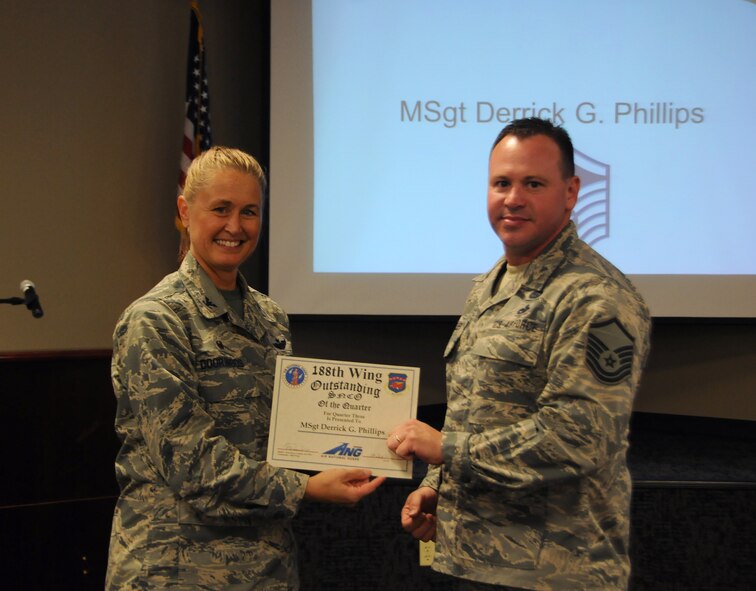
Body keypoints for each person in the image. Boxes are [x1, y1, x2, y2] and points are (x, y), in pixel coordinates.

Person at [388, 118, 651, 590]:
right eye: (501, 183)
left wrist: (448, 450)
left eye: (533, 183)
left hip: (553, 570)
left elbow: (578, 437)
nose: (513, 198)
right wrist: (434, 486)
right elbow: (476, 409)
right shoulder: (493, 283)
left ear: (571, 191)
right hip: (474, 557)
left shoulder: (596, 299)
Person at [106, 146, 384, 590]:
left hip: (265, 567)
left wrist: (365, 444)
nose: (235, 227)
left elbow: (288, 436)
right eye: (221, 209)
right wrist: (307, 488)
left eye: (249, 212)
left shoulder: (269, 317)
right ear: (185, 210)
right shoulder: (156, 321)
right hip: (177, 569)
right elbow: (194, 465)